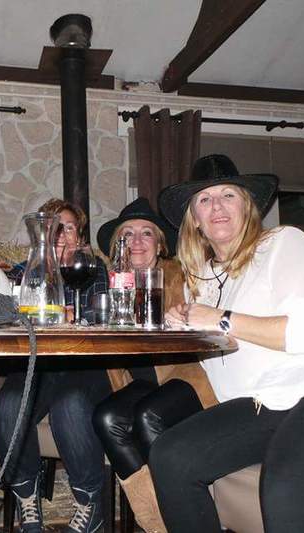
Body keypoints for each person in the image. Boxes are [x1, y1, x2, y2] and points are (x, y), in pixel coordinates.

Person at [139, 153, 304, 532]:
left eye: (228, 195)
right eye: (205, 199)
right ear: (194, 220)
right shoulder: (197, 281)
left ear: (247, 207)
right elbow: (223, 363)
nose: (217, 206)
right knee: (170, 456)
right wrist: (182, 327)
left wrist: (218, 318)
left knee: (287, 486)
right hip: (271, 400)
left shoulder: (283, 242)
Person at [91, 196, 215, 533]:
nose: (137, 241)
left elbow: (205, 304)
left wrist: (186, 313)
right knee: (106, 417)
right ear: (117, 246)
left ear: (160, 245)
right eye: (127, 234)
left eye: (147, 233)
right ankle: (158, 525)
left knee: (148, 416)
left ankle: (186, 517)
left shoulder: (180, 274)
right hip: (142, 383)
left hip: (186, 378)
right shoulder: (111, 285)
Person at [0, 198, 109, 533]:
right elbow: (7, 310)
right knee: (7, 405)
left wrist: (78, 316)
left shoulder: (92, 268)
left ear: (79, 237)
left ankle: (90, 503)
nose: (60, 234)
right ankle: (26, 496)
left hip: (83, 365)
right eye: (54, 228)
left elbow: (100, 316)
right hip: (38, 365)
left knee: (69, 407)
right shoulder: (26, 271)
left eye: (68, 228)